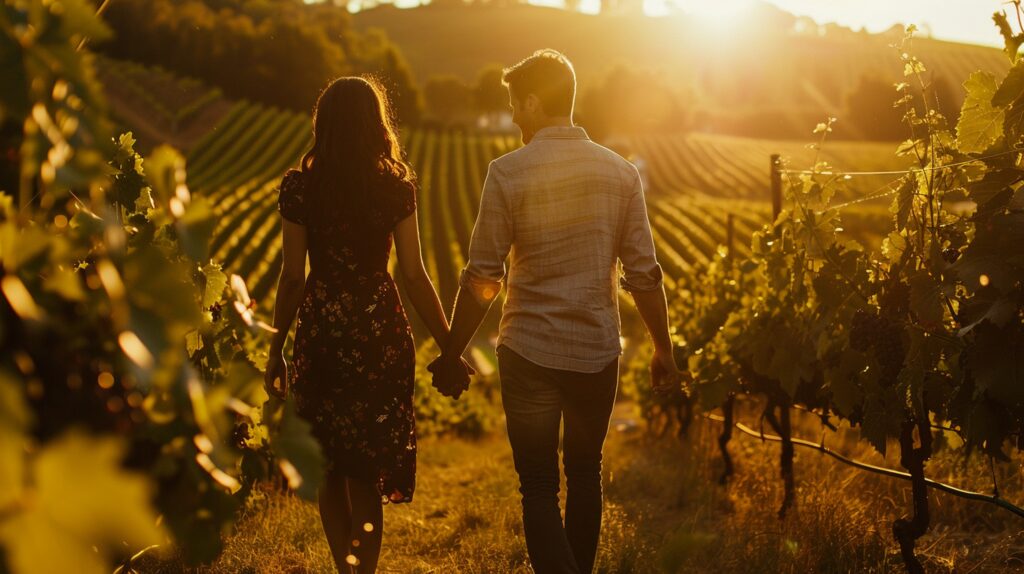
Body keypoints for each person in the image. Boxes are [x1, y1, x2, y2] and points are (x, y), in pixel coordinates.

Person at [428, 50, 688, 573]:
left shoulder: (507, 172)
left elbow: (483, 278)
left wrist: (451, 353)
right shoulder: (620, 174)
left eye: (515, 106)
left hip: (527, 352)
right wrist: (663, 349)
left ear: (531, 100)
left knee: (539, 487)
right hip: (596, 350)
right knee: (586, 473)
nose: (515, 117)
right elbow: (644, 272)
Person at [263, 76, 472, 574]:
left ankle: (346, 570)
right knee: (364, 471)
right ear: (376, 124)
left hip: (323, 332)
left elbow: (293, 277)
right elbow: (415, 275)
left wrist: (275, 350)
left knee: (329, 468)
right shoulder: (394, 186)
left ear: (323, 124)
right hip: (379, 331)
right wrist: (449, 345)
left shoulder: (299, 187)